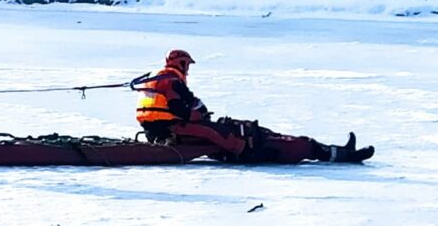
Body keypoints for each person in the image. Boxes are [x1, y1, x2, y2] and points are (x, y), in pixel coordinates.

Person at [134, 49, 374, 164]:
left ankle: (338, 150)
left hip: (159, 130)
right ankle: (339, 154)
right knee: (278, 142)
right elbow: (181, 111)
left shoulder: (156, 78)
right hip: (175, 130)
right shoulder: (173, 80)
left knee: (263, 134)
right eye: (188, 65)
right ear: (183, 64)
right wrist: (199, 115)